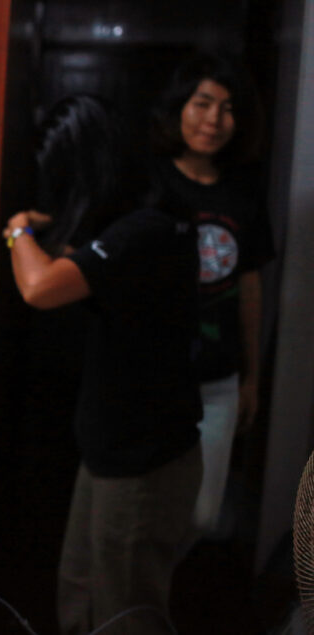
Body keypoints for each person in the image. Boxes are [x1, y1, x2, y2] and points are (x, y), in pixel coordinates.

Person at [3, 96, 202, 634]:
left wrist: (17, 228)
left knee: (124, 614)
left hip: (144, 462)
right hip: (112, 452)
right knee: (81, 591)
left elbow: (39, 287)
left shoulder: (147, 230)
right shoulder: (129, 228)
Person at [151, 53, 274, 536]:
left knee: (201, 514)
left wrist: (252, 377)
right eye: (202, 104)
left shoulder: (243, 191)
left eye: (228, 108)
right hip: (154, 377)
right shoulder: (151, 182)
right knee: (146, 510)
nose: (214, 120)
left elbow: (249, 284)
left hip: (218, 379)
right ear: (179, 107)